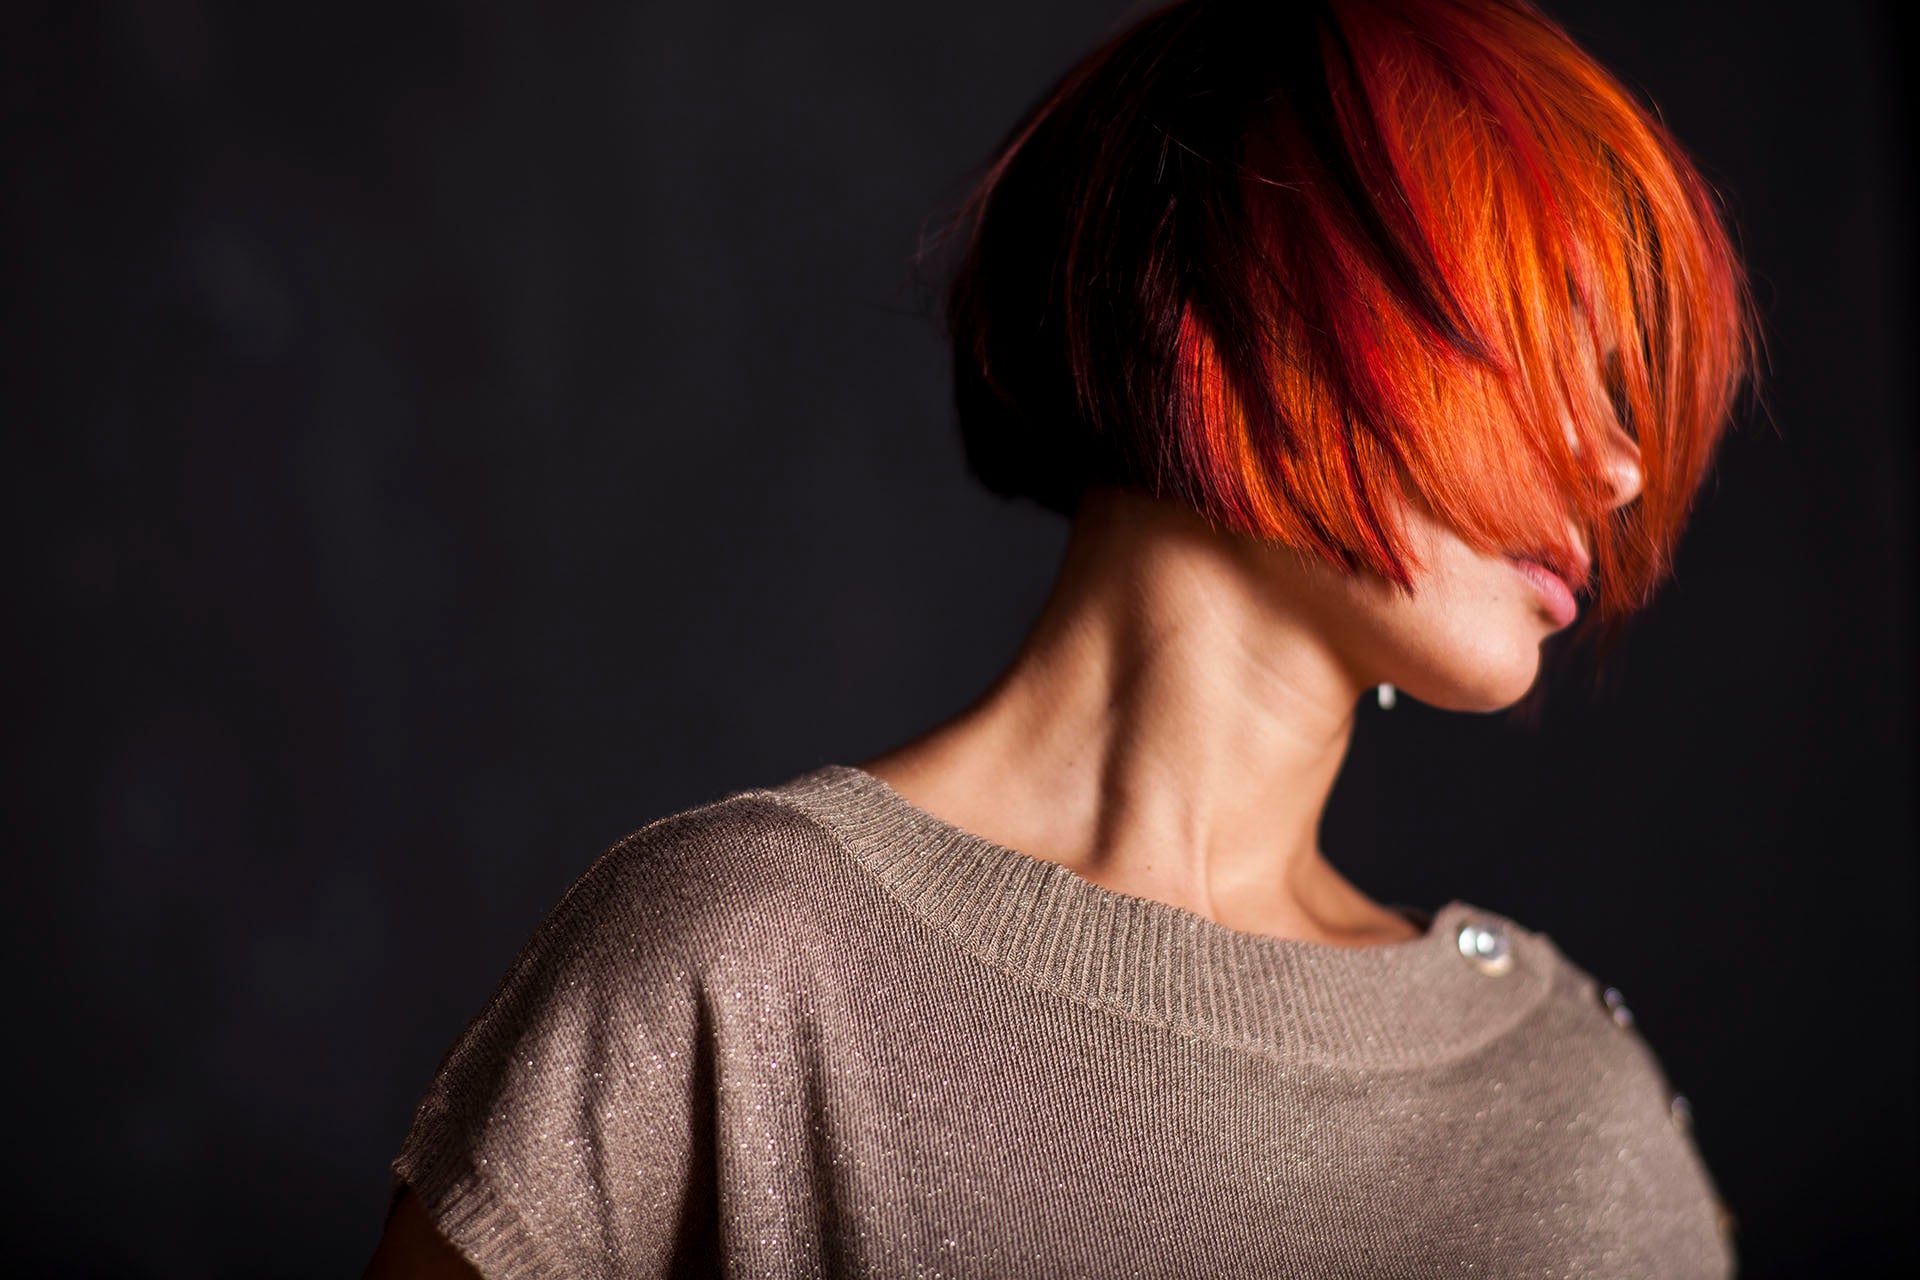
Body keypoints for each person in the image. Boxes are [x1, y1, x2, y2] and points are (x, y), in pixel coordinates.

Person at [364, 0, 1757, 1275]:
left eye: (1621, 382)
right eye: (1548, 342)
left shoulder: (1573, 1110)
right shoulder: (732, 970)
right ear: (1266, 281)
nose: (1620, 468)